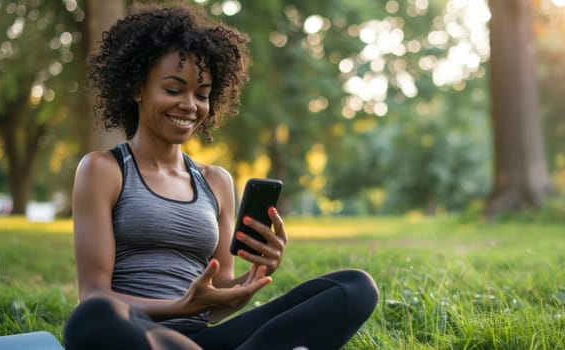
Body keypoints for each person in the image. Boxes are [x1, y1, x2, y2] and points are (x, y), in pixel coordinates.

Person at [63, 2, 378, 349]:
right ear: (138, 87)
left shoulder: (216, 182)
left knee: (354, 288)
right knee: (93, 319)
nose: (189, 105)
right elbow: (93, 295)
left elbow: (218, 297)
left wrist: (256, 274)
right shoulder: (103, 170)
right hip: (135, 335)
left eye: (201, 95)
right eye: (173, 89)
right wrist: (180, 306)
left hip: (205, 340)